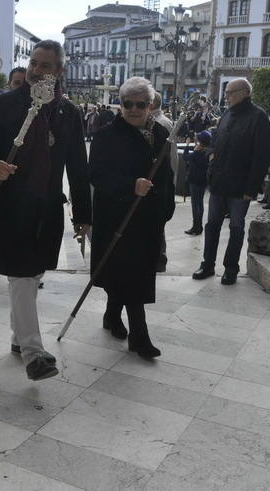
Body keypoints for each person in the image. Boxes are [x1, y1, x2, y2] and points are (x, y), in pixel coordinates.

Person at [0, 40, 91, 381]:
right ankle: (33, 352)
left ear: (60, 71)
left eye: (45, 66)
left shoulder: (68, 113)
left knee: (33, 274)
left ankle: (16, 337)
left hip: (47, 207)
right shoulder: (5, 104)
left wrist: (83, 215)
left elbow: (78, 168)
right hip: (13, 205)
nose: (36, 71)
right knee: (23, 277)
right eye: (33, 63)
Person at [90, 77, 174, 358]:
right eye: (128, 104)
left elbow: (166, 174)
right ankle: (139, 336)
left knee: (131, 273)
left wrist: (167, 205)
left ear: (150, 105)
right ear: (121, 104)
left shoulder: (161, 134)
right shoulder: (106, 135)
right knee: (129, 274)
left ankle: (112, 315)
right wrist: (130, 185)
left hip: (148, 219)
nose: (134, 109)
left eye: (141, 104)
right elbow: (97, 176)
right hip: (117, 217)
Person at [192, 78, 270, 285]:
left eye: (230, 92)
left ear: (245, 92)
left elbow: (261, 156)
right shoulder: (227, 114)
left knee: (236, 228)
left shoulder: (259, 117)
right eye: (226, 92)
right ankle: (208, 264)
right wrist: (211, 158)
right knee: (211, 226)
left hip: (241, 187)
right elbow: (215, 139)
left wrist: (252, 188)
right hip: (218, 182)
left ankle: (230, 269)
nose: (226, 96)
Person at [149, 92, 177, 272]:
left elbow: (169, 157)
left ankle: (160, 257)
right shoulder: (162, 121)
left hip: (160, 181)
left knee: (157, 223)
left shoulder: (160, 124)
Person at [183, 130, 211, 235]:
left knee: (195, 204)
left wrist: (186, 145)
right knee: (200, 203)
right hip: (203, 180)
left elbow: (185, 157)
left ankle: (196, 227)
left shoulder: (198, 152)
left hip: (194, 180)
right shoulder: (208, 151)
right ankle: (199, 226)